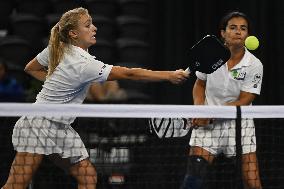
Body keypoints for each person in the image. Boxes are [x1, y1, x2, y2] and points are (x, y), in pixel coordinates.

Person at [1, 7, 189, 189]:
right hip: (38, 125)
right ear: (74, 34)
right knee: (16, 185)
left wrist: (56, 82)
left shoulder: (57, 48)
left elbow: (30, 68)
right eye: (88, 25)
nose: (94, 28)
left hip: (61, 127)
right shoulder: (83, 63)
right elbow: (129, 74)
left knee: (88, 177)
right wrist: (169, 75)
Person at [181, 11, 263, 189]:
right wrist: (199, 110)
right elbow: (200, 85)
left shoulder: (254, 64)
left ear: (247, 34)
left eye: (243, 28)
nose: (238, 32)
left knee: (252, 183)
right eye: (232, 28)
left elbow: (245, 100)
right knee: (193, 179)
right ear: (223, 33)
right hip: (207, 127)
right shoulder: (210, 56)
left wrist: (211, 115)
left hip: (241, 127)